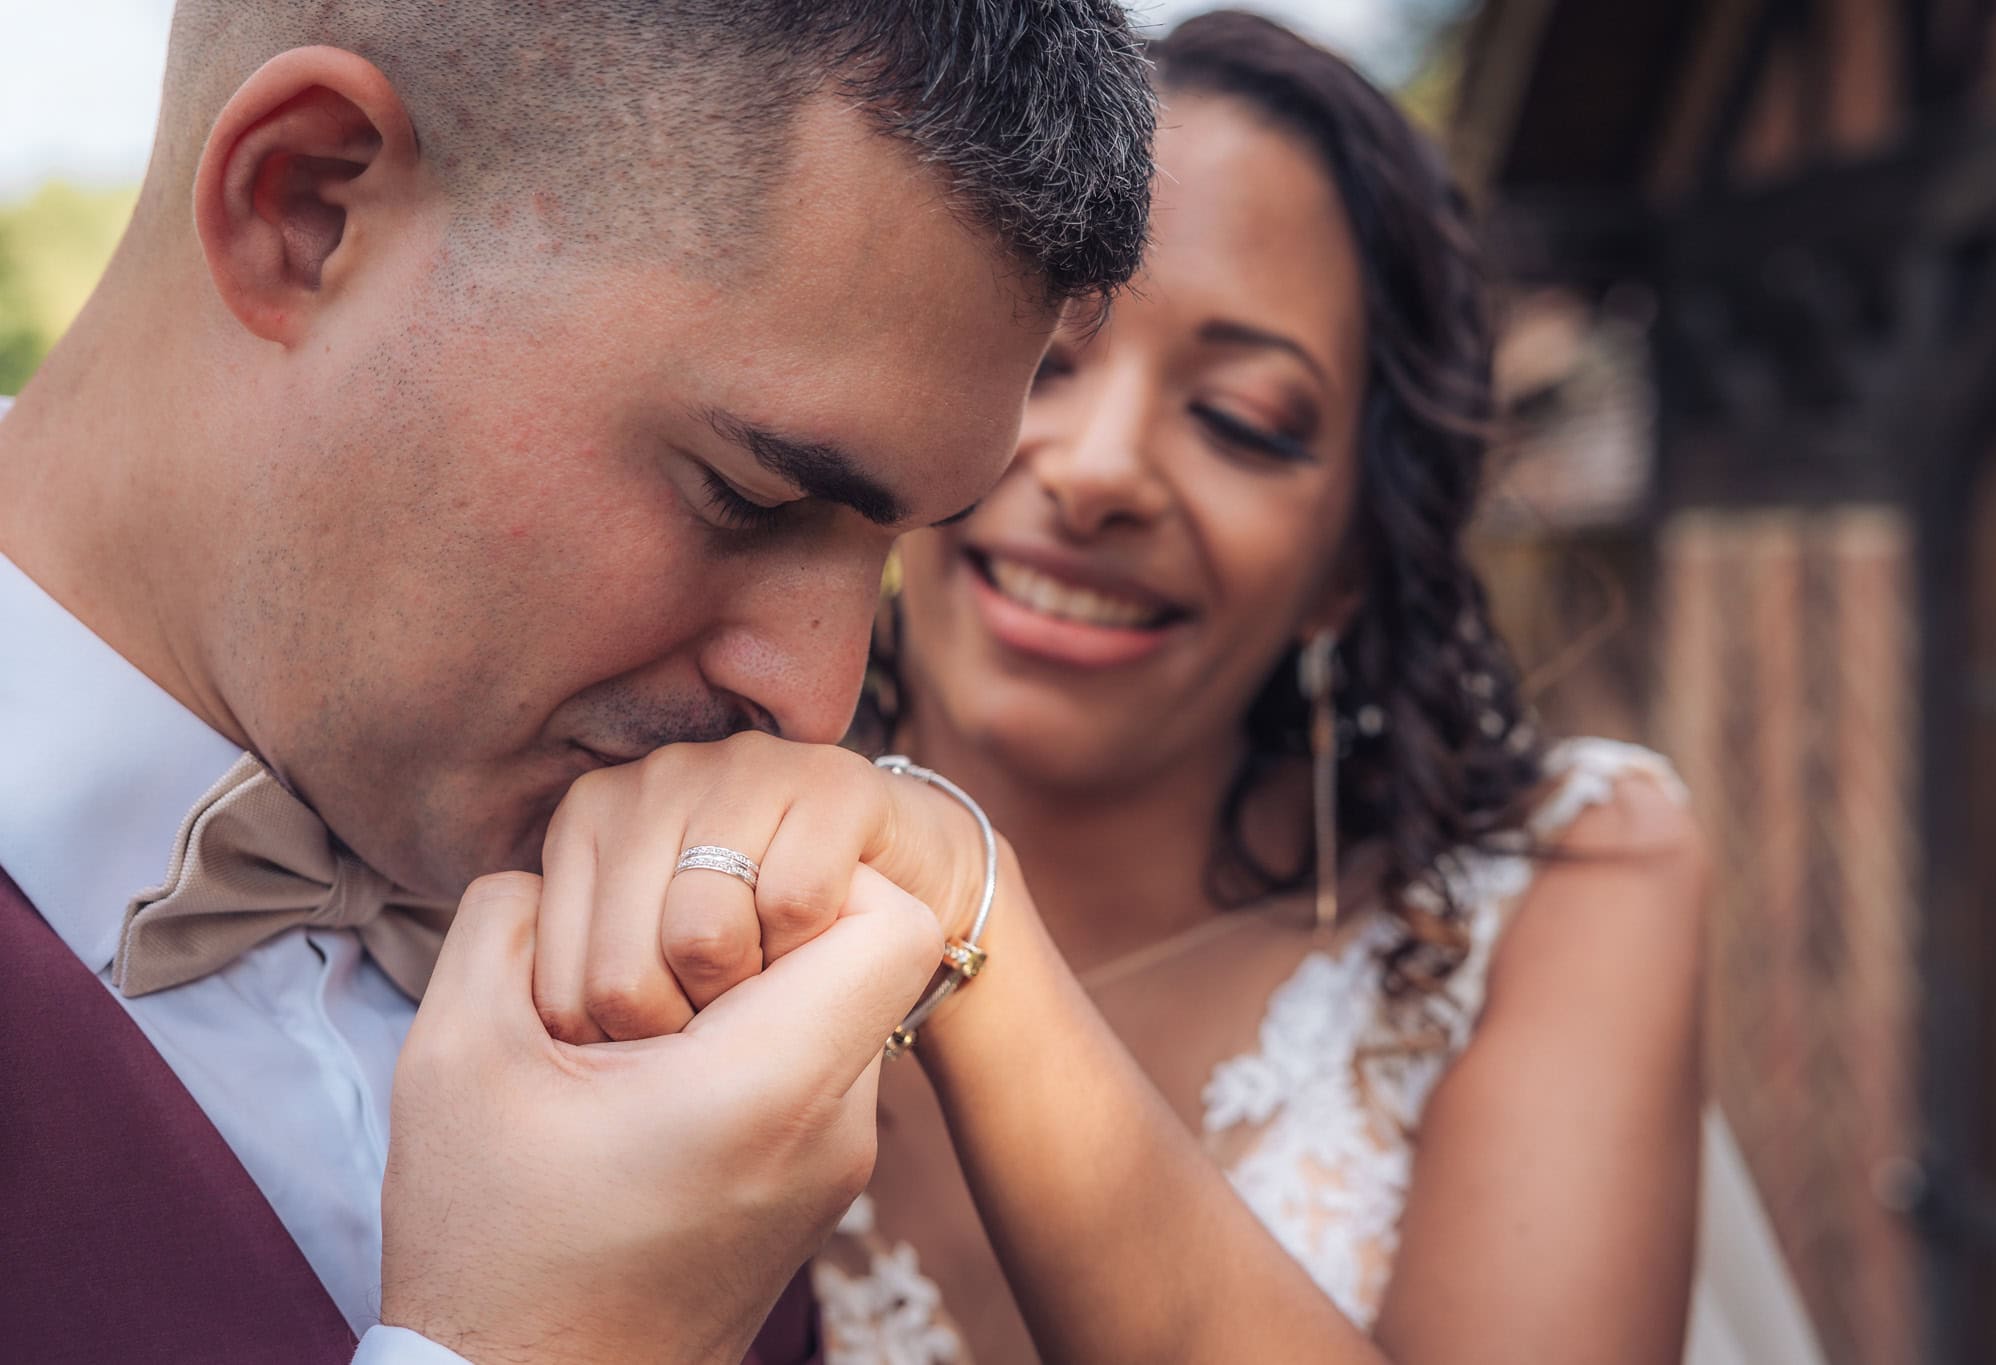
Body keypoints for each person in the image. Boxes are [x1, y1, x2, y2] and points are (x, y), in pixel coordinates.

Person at [0, 2, 1159, 1361]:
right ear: (304, 206)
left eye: (889, 554)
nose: (820, 700)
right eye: (746, 495)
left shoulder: (717, 998)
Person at [799, 13, 1819, 1362]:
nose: (1098, 472)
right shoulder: (704, 842)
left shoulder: (1565, 884)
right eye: (1045, 363)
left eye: (1243, 420)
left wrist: (970, 918)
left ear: (1353, 554)